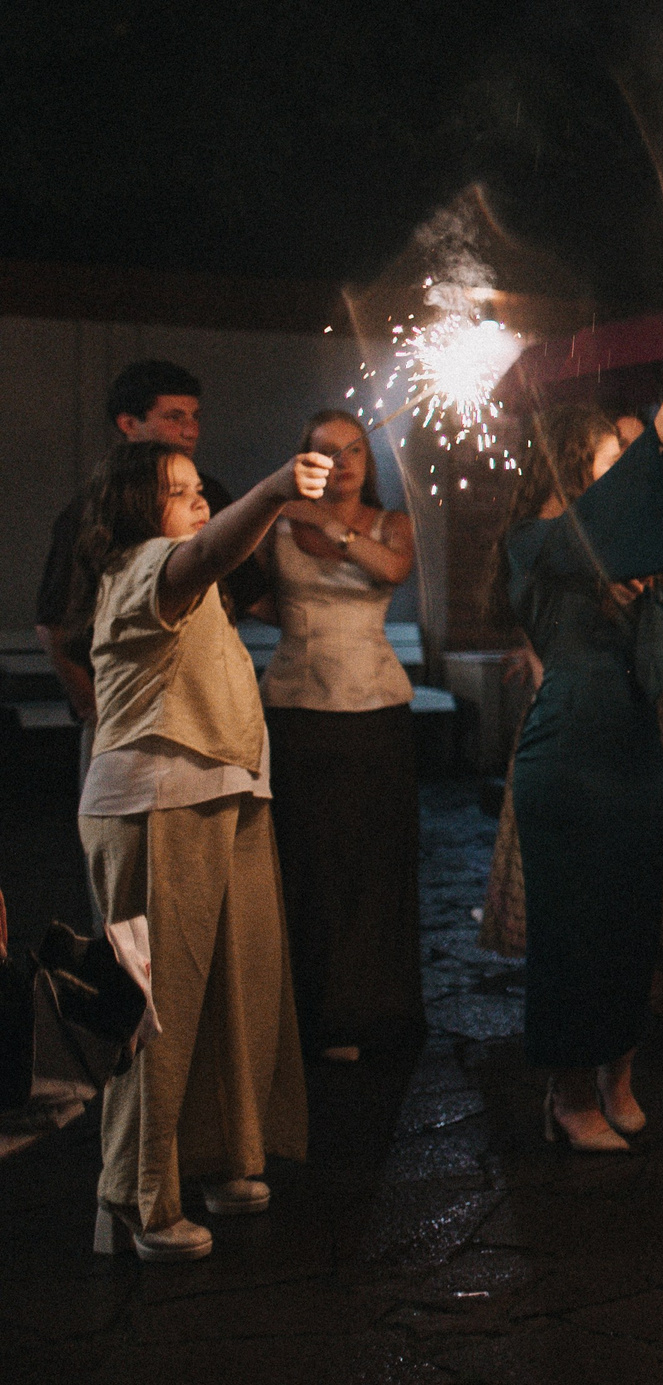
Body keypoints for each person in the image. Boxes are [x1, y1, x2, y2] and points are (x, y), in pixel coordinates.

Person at [77, 435, 331, 1260]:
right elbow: (210, 546)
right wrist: (275, 490)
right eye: (177, 490)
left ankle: (224, 1156)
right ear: (135, 508)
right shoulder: (147, 568)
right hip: (157, 804)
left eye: (197, 487)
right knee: (158, 1006)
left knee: (234, 989)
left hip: (223, 795)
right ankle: (140, 1199)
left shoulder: (186, 573)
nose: (196, 500)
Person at [499, 398, 663, 1153]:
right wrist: (650, 441)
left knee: (630, 919)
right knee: (572, 928)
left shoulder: (623, 545)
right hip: (568, 750)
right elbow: (581, 538)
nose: (622, 468)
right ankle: (569, 1085)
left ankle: (619, 1068)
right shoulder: (533, 541)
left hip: (633, 745)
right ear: (565, 463)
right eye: (608, 456)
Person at [256, 411, 421, 1065]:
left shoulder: (390, 522)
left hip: (376, 703)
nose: (346, 460)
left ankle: (375, 1006)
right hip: (298, 702)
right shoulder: (279, 521)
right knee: (306, 857)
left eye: (356, 449)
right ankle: (310, 1009)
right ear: (307, 458)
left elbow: (393, 569)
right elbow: (248, 587)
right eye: (329, 450)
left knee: (373, 858)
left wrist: (332, 525)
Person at [37, 361, 244, 772]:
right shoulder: (91, 510)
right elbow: (53, 623)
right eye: (174, 417)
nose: (190, 430)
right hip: (126, 714)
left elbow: (246, 592)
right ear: (129, 424)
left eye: (195, 417)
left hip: (205, 718)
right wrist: (96, 709)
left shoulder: (211, 495)